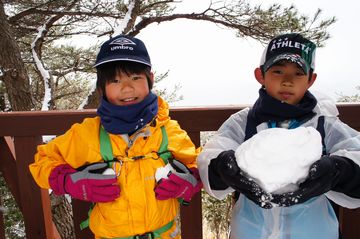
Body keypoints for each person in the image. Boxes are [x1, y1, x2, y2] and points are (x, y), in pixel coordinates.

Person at [29, 34, 202, 239]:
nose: (127, 88)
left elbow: (197, 164)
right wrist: (69, 181)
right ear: (102, 88)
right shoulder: (88, 134)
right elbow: (42, 161)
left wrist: (191, 180)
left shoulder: (168, 131)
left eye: (135, 77)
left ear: (150, 79)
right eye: (115, 80)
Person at [197, 33, 360, 239]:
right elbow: (212, 154)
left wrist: (337, 170)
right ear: (260, 75)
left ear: (311, 79)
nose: (288, 81)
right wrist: (222, 165)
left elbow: (356, 153)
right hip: (250, 232)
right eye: (278, 70)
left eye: (298, 73)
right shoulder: (243, 122)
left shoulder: (324, 124)